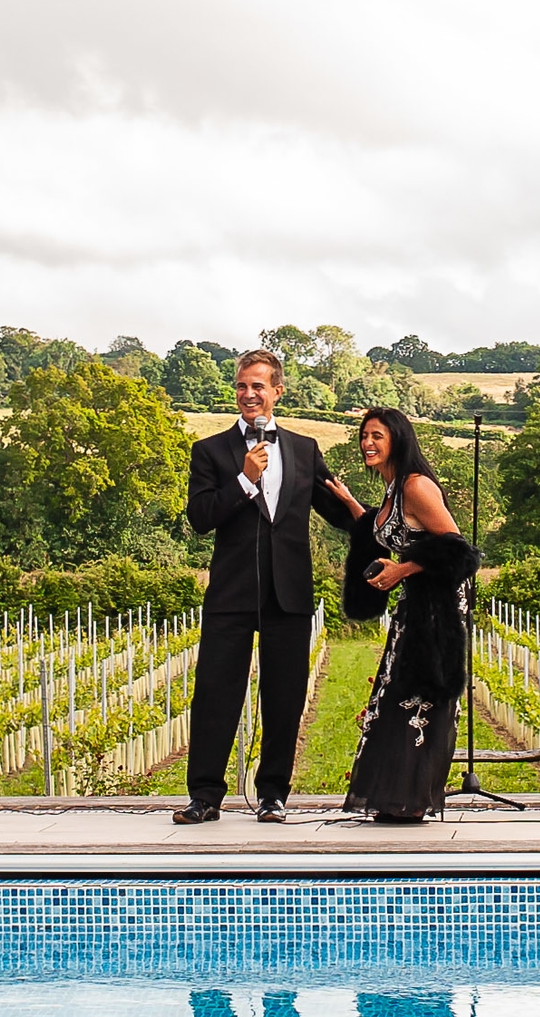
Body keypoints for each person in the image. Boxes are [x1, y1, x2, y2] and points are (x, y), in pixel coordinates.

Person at [178, 351, 368, 825]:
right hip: (230, 593)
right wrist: (245, 480)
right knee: (216, 694)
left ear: (277, 391)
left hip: (290, 593)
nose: (248, 394)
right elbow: (200, 519)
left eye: (258, 386)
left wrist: (374, 511)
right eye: (242, 386)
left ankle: (274, 795)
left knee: (285, 697)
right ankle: (205, 796)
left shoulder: (304, 449)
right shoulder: (210, 451)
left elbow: (339, 515)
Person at [340, 407, 478, 824]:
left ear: (397, 440)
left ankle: (413, 800)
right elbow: (382, 529)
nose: (368, 443)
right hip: (413, 603)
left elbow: (459, 550)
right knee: (394, 692)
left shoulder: (416, 486)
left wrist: (402, 569)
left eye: (377, 436)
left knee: (422, 694)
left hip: (438, 606)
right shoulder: (390, 490)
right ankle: (397, 797)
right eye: (364, 435)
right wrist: (349, 503)